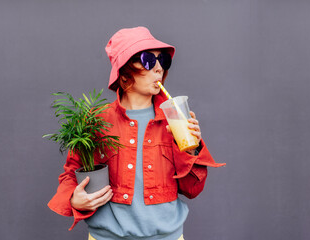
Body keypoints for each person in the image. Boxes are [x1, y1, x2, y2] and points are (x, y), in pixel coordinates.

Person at [48, 26, 225, 240]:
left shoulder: (176, 120)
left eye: (164, 61)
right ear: (124, 70)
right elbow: (71, 173)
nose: (159, 68)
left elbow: (192, 189)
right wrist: (74, 200)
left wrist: (192, 147)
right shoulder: (95, 121)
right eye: (149, 59)